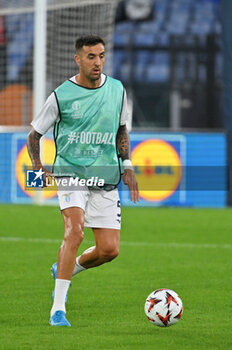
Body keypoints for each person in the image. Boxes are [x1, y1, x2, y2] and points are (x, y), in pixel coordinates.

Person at [27, 35, 139, 327]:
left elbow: (122, 130)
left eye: (101, 56)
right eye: (91, 57)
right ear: (78, 59)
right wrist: (38, 166)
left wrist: (127, 164)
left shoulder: (116, 90)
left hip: (105, 176)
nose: (98, 62)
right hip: (70, 173)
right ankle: (58, 309)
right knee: (74, 232)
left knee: (109, 250)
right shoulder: (62, 95)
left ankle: (64, 269)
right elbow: (34, 135)